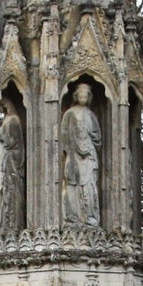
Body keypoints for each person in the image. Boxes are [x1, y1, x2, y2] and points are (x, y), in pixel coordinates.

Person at [60, 83, 101, 226]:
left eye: (86, 95)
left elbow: (97, 137)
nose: (83, 97)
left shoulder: (91, 115)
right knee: (72, 185)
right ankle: (73, 218)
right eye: (81, 94)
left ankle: (90, 218)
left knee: (89, 186)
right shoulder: (69, 114)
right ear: (76, 96)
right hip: (73, 156)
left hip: (89, 155)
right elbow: (63, 136)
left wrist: (87, 145)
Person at [0, 100, 25, 232]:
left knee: (13, 190)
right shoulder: (7, 120)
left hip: (12, 162)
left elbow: (12, 141)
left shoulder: (13, 120)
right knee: (6, 191)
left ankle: (14, 223)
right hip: (7, 161)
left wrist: (2, 137)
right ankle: (7, 222)